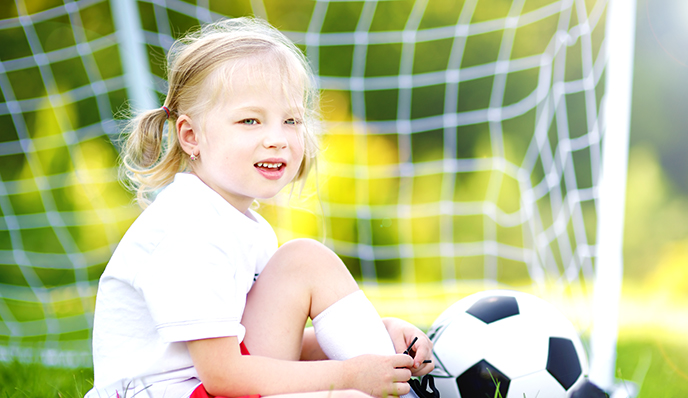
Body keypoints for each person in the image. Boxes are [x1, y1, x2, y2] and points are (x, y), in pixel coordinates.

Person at [85, 17, 436, 398]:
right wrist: (350, 375)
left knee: (305, 264)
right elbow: (224, 374)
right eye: (250, 120)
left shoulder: (242, 225)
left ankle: (397, 385)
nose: (277, 139)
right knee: (312, 283)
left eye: (291, 120)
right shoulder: (188, 231)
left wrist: (377, 342)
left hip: (211, 384)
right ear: (191, 136)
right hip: (183, 391)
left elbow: (272, 352)